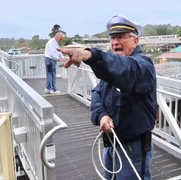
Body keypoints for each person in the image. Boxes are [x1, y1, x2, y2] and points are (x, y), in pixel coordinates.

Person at [58, 15, 158, 180]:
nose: (115, 42)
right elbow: (98, 93)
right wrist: (102, 115)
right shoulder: (113, 70)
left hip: (133, 147)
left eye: (121, 37)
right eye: (112, 38)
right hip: (111, 143)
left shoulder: (143, 66)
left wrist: (92, 56)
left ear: (136, 41)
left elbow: (126, 70)